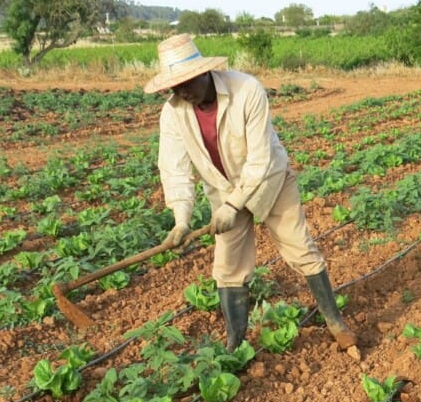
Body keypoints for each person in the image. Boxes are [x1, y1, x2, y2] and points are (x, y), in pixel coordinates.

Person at [144, 33, 356, 351]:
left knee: (299, 248)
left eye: (187, 82)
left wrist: (234, 206)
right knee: (228, 267)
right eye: (175, 87)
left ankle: (335, 321)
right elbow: (174, 169)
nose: (182, 92)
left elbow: (260, 158)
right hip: (222, 188)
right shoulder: (172, 113)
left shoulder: (246, 89)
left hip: (270, 180)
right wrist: (181, 220)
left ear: (204, 73)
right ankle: (235, 343)